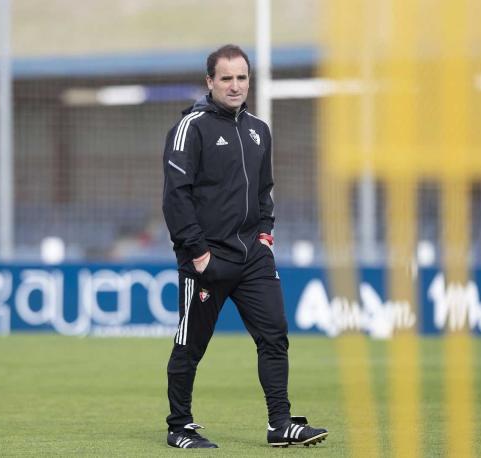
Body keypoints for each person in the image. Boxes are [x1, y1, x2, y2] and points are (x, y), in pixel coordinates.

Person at [161, 44, 328, 448]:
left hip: (252, 256)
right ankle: (178, 426)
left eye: (242, 78)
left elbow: (266, 192)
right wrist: (198, 253)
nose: (235, 86)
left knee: (275, 335)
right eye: (226, 78)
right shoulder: (191, 128)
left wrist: (265, 238)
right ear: (210, 82)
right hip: (207, 259)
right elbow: (175, 197)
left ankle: (280, 424)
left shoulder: (258, 130)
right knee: (190, 344)